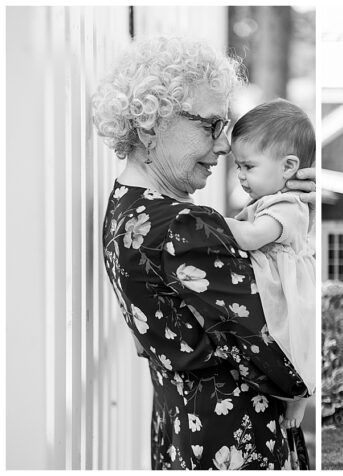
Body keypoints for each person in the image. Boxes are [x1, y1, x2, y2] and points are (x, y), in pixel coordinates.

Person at [93, 36, 315, 469]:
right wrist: (300, 388)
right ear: (149, 124)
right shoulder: (183, 226)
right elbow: (271, 346)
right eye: (210, 125)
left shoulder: (127, 207)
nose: (224, 145)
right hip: (230, 440)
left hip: (186, 429)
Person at [222, 99, 317, 432]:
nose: (241, 175)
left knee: (293, 344)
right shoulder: (267, 200)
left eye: (248, 166)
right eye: (238, 166)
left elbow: (249, 237)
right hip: (274, 285)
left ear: (289, 166)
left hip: (288, 291)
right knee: (278, 344)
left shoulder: (288, 205)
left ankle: (300, 395)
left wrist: (207, 219)